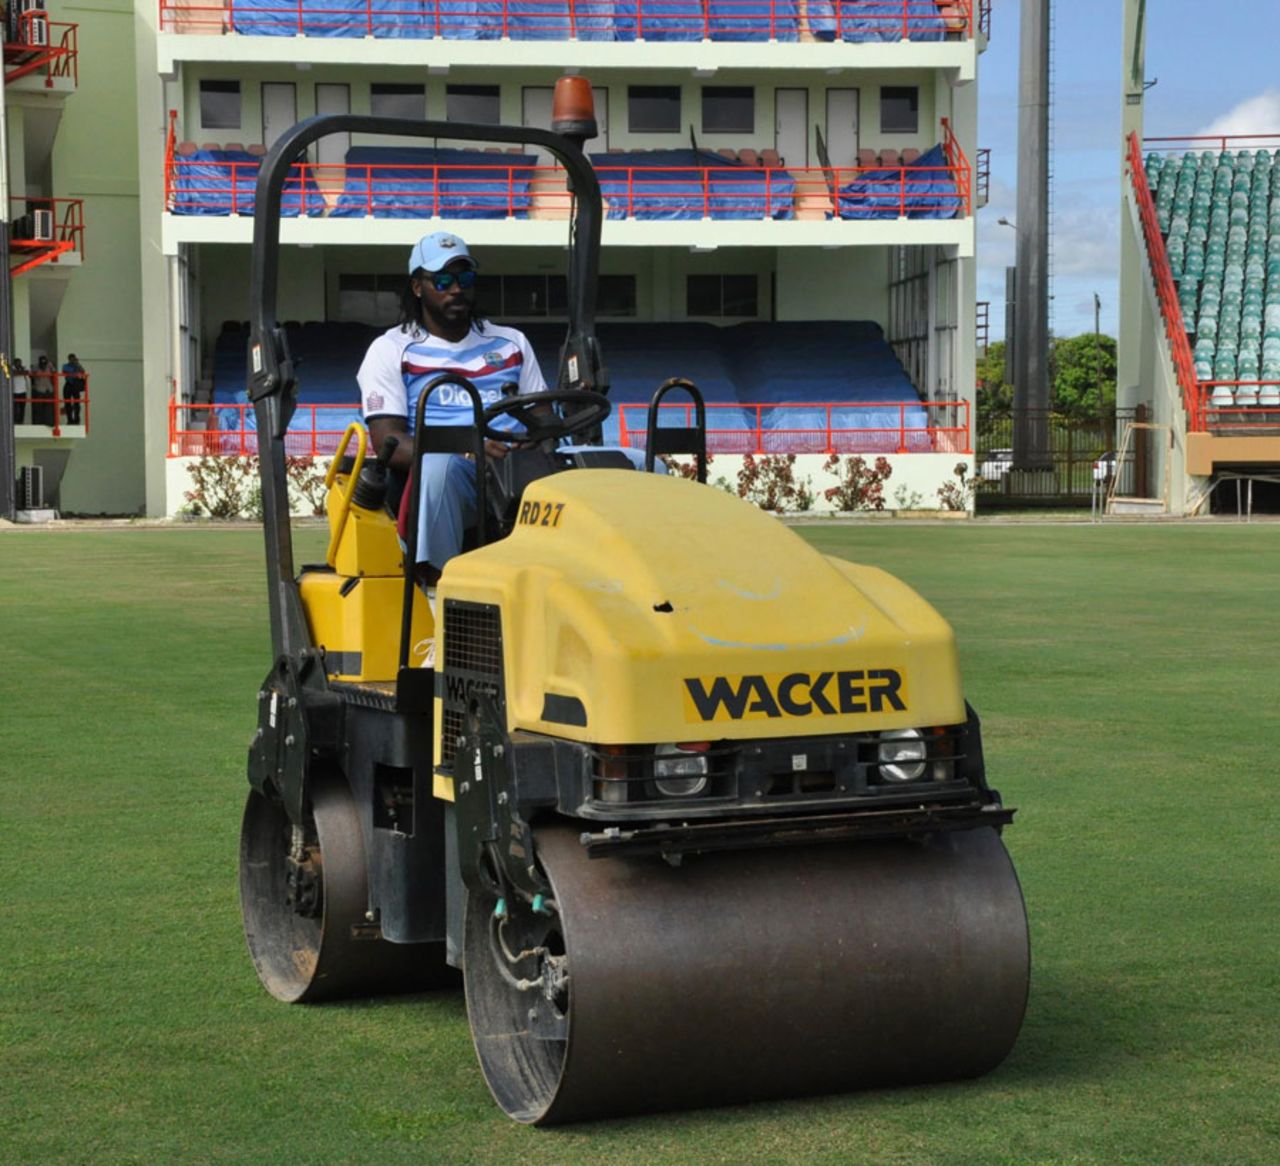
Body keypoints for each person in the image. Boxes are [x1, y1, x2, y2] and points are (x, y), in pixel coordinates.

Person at [358, 231, 548, 587]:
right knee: (439, 469)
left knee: (627, 464)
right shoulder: (392, 349)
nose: (456, 288)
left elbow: (543, 419)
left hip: (518, 467)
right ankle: (437, 594)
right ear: (418, 287)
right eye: (442, 279)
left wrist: (534, 440)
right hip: (459, 473)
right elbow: (390, 442)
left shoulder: (511, 342)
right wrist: (468, 447)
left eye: (465, 278)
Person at [30, 355, 56, 426]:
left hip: (49, 389)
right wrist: (41, 370)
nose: (44, 364)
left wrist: (50, 365)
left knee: (49, 407)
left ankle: (49, 422)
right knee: (38, 407)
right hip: (39, 389)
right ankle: (38, 423)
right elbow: (33, 374)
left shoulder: (49, 365)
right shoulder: (35, 367)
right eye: (42, 363)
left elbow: (54, 373)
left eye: (45, 362)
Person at [62, 353, 86, 425]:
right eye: (71, 359)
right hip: (68, 384)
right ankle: (70, 420)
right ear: (69, 359)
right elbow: (66, 371)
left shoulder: (77, 365)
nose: (72, 360)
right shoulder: (65, 366)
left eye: (74, 359)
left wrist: (77, 364)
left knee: (77, 403)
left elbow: (82, 371)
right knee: (67, 403)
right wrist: (75, 369)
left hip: (75, 385)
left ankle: (77, 419)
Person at [11, 357, 28, 425]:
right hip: (14, 391)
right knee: (14, 407)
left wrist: (20, 371)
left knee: (22, 407)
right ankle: (14, 421)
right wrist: (20, 372)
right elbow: (13, 373)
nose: (19, 364)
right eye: (17, 362)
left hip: (23, 391)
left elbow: (26, 372)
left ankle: (21, 421)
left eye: (20, 362)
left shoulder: (23, 367)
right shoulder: (11, 367)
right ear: (14, 363)